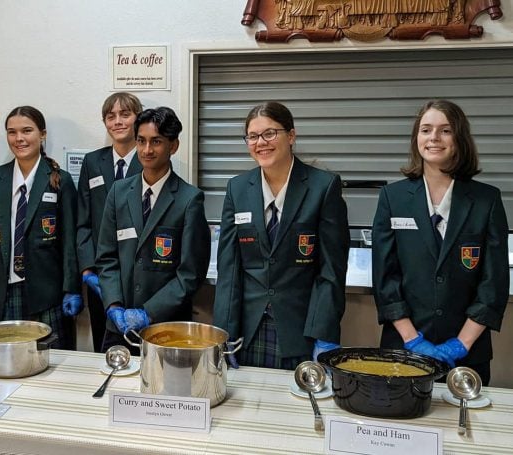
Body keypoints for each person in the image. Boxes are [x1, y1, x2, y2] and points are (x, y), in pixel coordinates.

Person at [372, 99, 508, 385]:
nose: (434, 138)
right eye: (426, 130)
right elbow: (385, 278)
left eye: (445, 130)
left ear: (459, 138)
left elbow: (493, 282)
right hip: (403, 350)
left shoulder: (487, 200)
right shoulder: (392, 198)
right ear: (416, 139)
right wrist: (412, 340)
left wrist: (461, 344)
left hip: (468, 354)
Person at [212, 101, 349, 370]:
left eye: (270, 133)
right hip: (247, 332)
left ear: (291, 136)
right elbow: (229, 270)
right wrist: (223, 333)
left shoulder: (323, 187)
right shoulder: (237, 189)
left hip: (302, 330)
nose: (261, 142)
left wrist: (323, 332)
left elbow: (331, 270)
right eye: (252, 136)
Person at [0, 106, 81, 349]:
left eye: (27, 131)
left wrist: (72, 288)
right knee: (3, 363)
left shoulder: (60, 180)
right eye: (12, 132)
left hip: (46, 294)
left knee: (49, 364)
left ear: (42, 134)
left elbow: (70, 241)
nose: (19, 139)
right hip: (0, 292)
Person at [95, 107, 210, 351]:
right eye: (142, 141)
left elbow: (190, 274)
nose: (147, 150)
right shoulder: (118, 192)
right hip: (119, 326)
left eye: (156, 142)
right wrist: (113, 305)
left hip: (167, 327)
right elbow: (106, 258)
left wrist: (149, 312)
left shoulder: (190, 199)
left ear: (173, 146)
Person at [76, 92, 143, 352]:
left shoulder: (151, 159)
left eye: (125, 114)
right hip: (101, 275)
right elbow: (83, 220)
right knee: (105, 351)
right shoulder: (93, 162)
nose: (118, 121)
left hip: (138, 274)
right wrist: (87, 269)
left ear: (138, 118)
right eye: (111, 116)